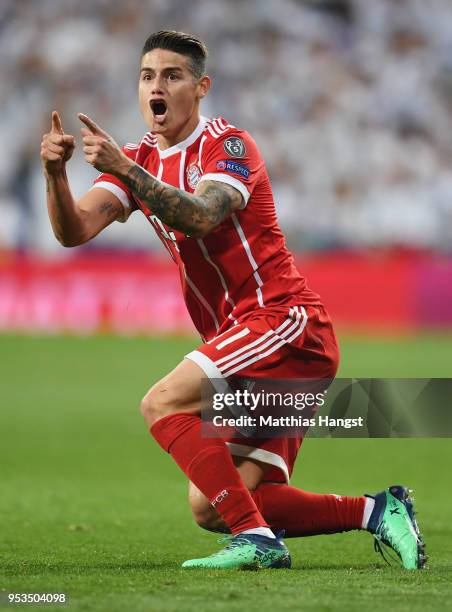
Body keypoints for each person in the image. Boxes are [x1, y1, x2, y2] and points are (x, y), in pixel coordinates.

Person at [40, 30, 425, 570]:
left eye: (172, 76)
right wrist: (56, 174)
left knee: (161, 401)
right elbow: (73, 231)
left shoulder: (228, 145)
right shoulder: (141, 156)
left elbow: (201, 215)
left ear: (201, 88)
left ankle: (260, 544)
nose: (158, 86)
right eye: (148, 76)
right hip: (250, 344)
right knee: (213, 505)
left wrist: (126, 170)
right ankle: (377, 511)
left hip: (284, 323)